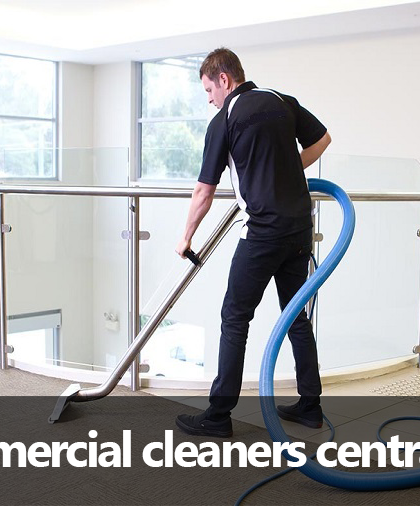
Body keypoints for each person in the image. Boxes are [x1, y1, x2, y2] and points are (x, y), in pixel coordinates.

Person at [174, 48, 331, 438]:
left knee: (234, 318)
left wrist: (186, 237)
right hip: (299, 230)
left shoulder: (224, 118)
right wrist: (289, 168)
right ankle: (311, 405)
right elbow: (323, 139)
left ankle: (218, 414)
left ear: (224, 80)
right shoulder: (281, 101)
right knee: (296, 316)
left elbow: (203, 193)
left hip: (261, 234)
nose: (209, 98)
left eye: (209, 89)